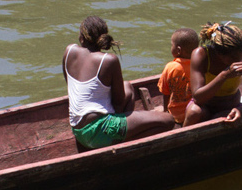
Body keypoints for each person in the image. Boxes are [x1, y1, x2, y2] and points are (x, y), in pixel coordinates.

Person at [64, 16, 174, 149]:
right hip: (99, 130)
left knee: (127, 86)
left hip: (77, 129)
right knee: (168, 121)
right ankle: (122, 144)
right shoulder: (109, 60)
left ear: (82, 38)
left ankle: (118, 136)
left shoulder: (69, 51)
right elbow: (118, 100)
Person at [185, 21, 242, 126]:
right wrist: (224, 75)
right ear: (219, 54)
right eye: (233, 58)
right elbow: (198, 98)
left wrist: (241, 110)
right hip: (205, 107)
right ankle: (181, 140)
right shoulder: (201, 55)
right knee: (193, 112)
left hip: (230, 107)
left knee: (221, 119)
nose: (238, 60)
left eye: (240, 55)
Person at [158, 27, 199, 124]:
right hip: (193, 113)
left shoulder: (170, 67)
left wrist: (165, 111)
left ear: (178, 50)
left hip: (174, 115)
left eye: (172, 45)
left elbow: (165, 92)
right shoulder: (200, 65)